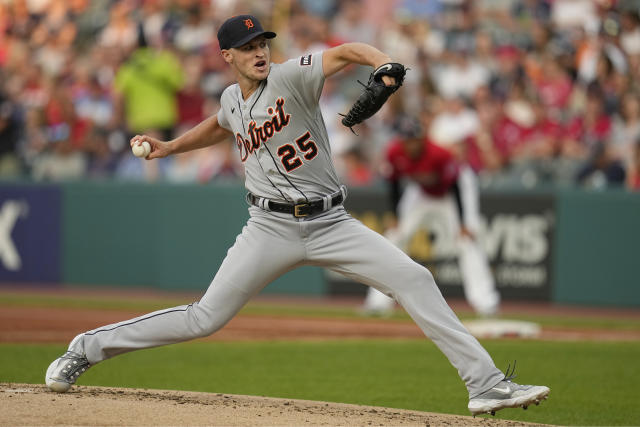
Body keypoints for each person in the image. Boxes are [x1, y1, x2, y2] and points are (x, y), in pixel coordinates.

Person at [44, 15, 549, 416]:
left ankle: (485, 385)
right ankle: (89, 346)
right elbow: (220, 124)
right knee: (204, 318)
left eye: (263, 43)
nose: (259, 51)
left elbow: (349, 52)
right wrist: (170, 146)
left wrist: (384, 64)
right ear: (228, 57)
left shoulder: (290, 75)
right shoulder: (229, 99)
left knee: (414, 278)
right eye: (248, 47)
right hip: (269, 228)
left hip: (332, 224)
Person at [363, 115, 500, 317]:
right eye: (407, 139)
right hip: (422, 192)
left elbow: (454, 186)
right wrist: (395, 215)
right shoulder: (394, 152)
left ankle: (486, 302)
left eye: (414, 139)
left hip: (453, 192)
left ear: (422, 138)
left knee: (467, 241)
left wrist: (463, 223)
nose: (411, 144)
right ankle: (377, 302)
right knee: (395, 236)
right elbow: (394, 184)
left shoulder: (439, 153)